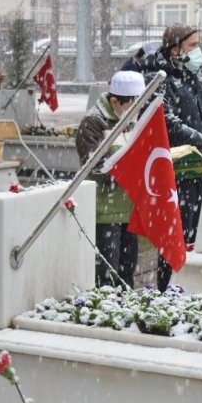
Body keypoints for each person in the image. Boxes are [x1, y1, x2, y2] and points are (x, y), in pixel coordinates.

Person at [143, 23, 202, 291]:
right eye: (192, 46)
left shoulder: (196, 76)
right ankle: (168, 290)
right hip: (175, 172)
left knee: (197, 235)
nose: (198, 51)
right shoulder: (157, 79)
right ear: (175, 49)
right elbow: (168, 123)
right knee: (174, 237)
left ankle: (190, 287)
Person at [76, 71, 144, 288]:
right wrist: (129, 168)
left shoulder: (131, 119)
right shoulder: (93, 123)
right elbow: (93, 168)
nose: (136, 112)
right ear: (114, 101)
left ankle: (127, 311)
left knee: (127, 272)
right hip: (105, 213)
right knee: (106, 274)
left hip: (129, 210)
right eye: (132, 105)